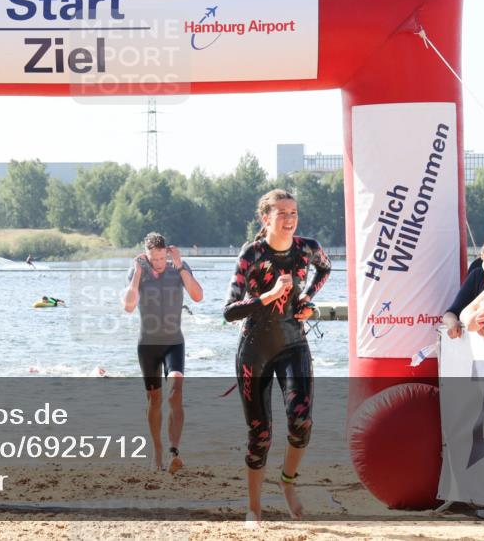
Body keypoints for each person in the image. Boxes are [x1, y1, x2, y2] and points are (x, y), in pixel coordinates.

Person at [223, 189, 331, 522]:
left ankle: (287, 483)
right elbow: (229, 311)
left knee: (301, 423)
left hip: (293, 345)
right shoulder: (252, 253)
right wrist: (268, 296)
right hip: (254, 350)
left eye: (293, 212)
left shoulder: (307, 248)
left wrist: (307, 301)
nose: (289, 219)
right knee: (261, 434)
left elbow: (325, 270)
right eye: (281, 213)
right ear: (265, 217)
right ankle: (253, 508)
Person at [123, 232, 204, 474]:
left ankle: (173, 451)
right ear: (145, 256)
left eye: (161, 258)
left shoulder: (178, 268)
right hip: (147, 346)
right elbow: (128, 306)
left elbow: (198, 296)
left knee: (175, 391)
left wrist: (179, 266)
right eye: (152, 259)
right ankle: (157, 449)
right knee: (155, 400)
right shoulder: (139, 271)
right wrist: (137, 273)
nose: (157, 263)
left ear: (167, 253)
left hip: (173, 343)